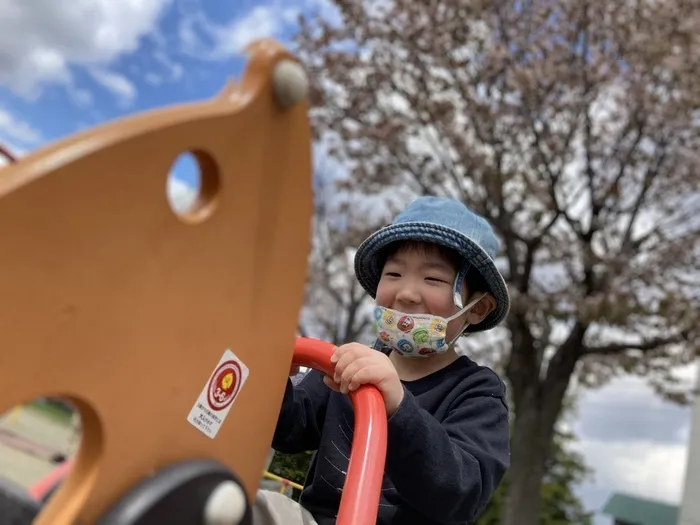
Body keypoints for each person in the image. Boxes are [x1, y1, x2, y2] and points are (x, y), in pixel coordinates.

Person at [254, 196, 511, 525]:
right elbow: (289, 428)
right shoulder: (349, 365)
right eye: (394, 274)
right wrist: (272, 379)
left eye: (433, 279)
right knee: (239, 502)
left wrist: (400, 408)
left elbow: (460, 492)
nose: (406, 292)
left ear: (476, 308)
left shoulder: (478, 393)